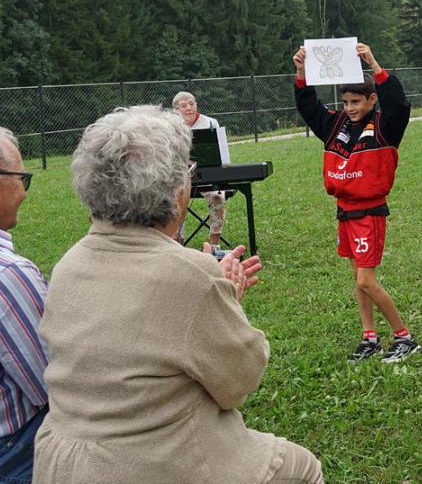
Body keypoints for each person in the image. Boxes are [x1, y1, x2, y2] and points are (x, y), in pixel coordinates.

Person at [33, 106, 324, 484]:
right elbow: (238, 384)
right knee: (304, 468)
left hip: (59, 461)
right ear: (175, 191)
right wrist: (225, 297)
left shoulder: (69, 264)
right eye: (188, 169)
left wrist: (210, 291)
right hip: (147, 464)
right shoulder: (191, 275)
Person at [293, 42, 419, 363]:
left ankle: (404, 337)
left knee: (366, 279)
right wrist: (302, 72)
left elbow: (399, 104)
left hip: (369, 212)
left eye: (356, 102)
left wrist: (374, 64)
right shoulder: (335, 125)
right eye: (346, 102)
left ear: (372, 99)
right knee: (358, 280)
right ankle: (369, 337)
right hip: (345, 211)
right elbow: (308, 107)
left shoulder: (385, 126)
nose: (349, 108)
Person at [0, 128, 47, 484]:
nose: (25, 193)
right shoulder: (9, 274)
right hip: (13, 452)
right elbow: (52, 384)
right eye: (22, 179)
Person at [172, 91, 226, 247]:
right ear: (176, 110)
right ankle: (177, 242)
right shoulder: (171, 127)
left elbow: (222, 153)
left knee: (217, 197)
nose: (189, 108)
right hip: (181, 178)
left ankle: (214, 244)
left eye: (192, 103)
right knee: (173, 200)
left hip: (208, 175)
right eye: (184, 106)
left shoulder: (211, 123)